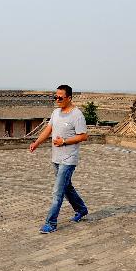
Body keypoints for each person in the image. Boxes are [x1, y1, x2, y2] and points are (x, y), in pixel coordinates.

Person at [29, 84, 89, 233]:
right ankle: (81, 209)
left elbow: (83, 136)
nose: (57, 99)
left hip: (69, 159)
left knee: (57, 191)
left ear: (69, 97)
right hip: (56, 158)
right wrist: (36, 143)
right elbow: (48, 130)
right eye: (55, 97)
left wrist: (64, 142)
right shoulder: (55, 112)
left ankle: (51, 223)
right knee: (66, 187)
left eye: (60, 97)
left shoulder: (77, 115)